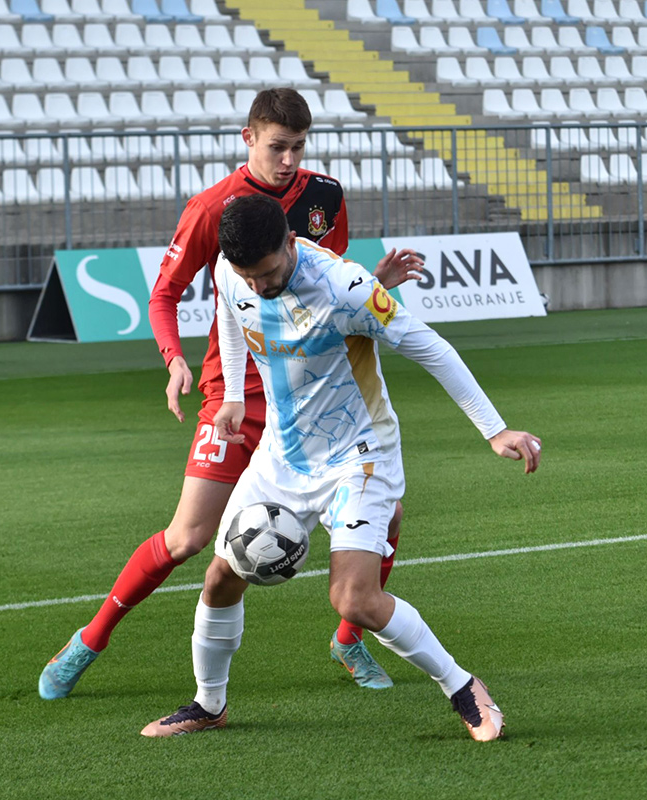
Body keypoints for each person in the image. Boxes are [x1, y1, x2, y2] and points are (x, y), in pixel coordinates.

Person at [38, 88, 427, 699]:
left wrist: (374, 286)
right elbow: (164, 295)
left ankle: (349, 637)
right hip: (236, 396)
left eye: (300, 146)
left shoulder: (325, 197)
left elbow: (327, 287)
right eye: (279, 146)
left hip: (315, 397)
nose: (291, 159)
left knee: (391, 516)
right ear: (248, 138)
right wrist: (174, 362)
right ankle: (89, 639)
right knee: (189, 538)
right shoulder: (214, 208)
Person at [140, 195, 542, 741]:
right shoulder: (232, 271)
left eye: (269, 273)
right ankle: (209, 705)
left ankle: (463, 687)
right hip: (282, 456)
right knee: (220, 577)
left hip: (359, 455)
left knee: (354, 599)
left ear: (290, 242)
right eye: (248, 277)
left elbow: (430, 347)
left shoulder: (345, 287)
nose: (259, 286)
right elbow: (231, 319)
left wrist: (495, 430)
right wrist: (233, 392)